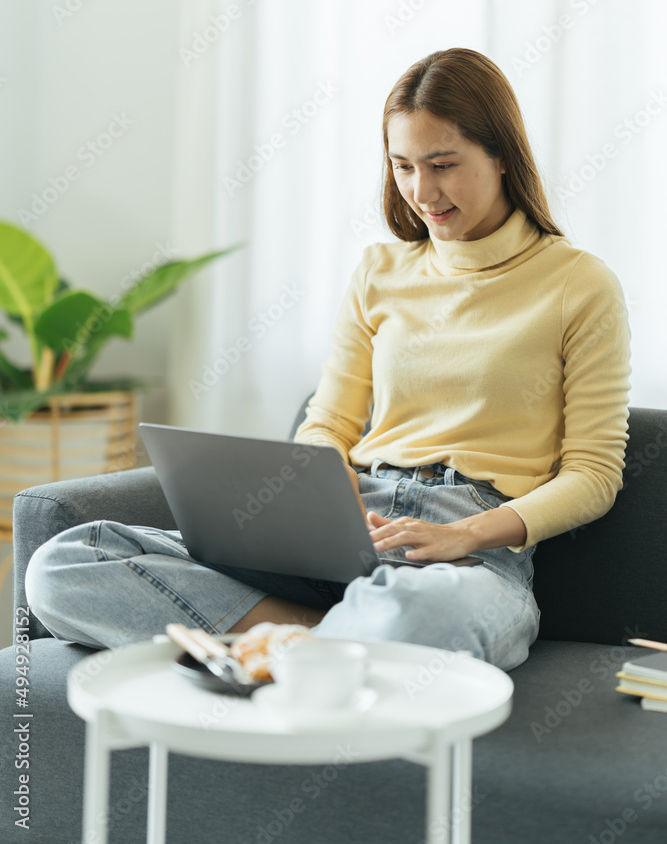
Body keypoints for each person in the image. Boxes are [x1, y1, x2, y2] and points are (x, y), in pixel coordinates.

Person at [25, 48, 631, 673]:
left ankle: (292, 644)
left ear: (502, 155)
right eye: (403, 166)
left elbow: (593, 473)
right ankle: (322, 644)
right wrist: (322, 474)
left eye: (443, 164)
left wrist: (468, 535)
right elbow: (329, 422)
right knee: (64, 563)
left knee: (421, 615)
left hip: (465, 557)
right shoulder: (380, 271)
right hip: (352, 526)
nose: (422, 191)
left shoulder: (578, 285)